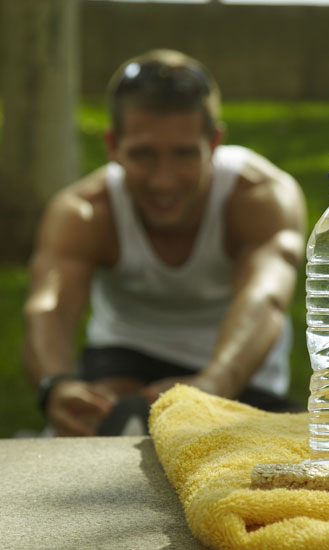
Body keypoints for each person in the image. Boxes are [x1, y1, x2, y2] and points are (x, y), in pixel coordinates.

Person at [23, 49, 307, 436]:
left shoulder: (261, 197)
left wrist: (213, 384)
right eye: (142, 155)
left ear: (215, 143)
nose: (163, 180)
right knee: (108, 422)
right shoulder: (84, 211)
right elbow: (49, 307)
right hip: (123, 362)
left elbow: (265, 300)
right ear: (112, 146)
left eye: (183, 154)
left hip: (235, 374)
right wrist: (56, 385)